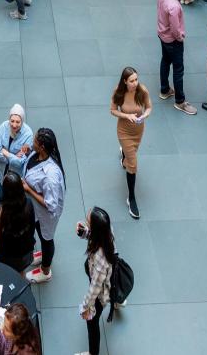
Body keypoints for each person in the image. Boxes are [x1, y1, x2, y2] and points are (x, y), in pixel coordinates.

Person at [23, 128, 66, 284]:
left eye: (34, 140)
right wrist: (28, 153)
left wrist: (28, 189)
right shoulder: (39, 154)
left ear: (41, 146)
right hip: (36, 211)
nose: (31, 142)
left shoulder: (51, 177)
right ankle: (42, 255)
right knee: (41, 234)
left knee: (47, 239)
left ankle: (45, 270)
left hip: (46, 214)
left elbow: (50, 204)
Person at [110, 67, 152, 219]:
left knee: (131, 155)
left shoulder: (142, 90)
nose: (135, 83)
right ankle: (131, 198)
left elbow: (148, 107)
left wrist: (144, 116)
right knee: (133, 164)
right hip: (124, 132)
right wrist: (126, 116)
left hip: (138, 131)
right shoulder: (119, 92)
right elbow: (113, 110)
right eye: (132, 80)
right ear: (125, 81)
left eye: (136, 79)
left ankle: (124, 156)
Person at [76, 207, 115, 355]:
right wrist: (84, 232)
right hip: (102, 280)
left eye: (88, 222)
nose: (86, 222)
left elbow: (95, 288)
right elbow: (93, 236)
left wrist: (85, 307)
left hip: (99, 294)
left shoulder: (100, 259)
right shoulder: (107, 232)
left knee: (92, 324)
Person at [157, 0, 197, 115]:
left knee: (165, 60)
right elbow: (175, 28)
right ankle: (180, 101)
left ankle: (165, 89)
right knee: (178, 70)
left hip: (162, 35)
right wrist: (180, 37)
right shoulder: (174, 6)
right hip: (173, 40)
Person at [0, 172, 36, 274]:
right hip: (24, 249)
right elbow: (32, 227)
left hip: (7, 252)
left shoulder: (0, 209)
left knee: (7, 274)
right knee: (20, 272)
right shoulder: (28, 204)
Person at [0, 103, 34, 197]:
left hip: (16, 176)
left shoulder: (28, 135)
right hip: (1, 173)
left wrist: (6, 153)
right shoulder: (3, 127)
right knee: (1, 199)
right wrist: (14, 157)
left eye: (18, 122)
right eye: (12, 121)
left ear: (22, 121)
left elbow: (20, 162)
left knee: (15, 203)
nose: (14, 125)